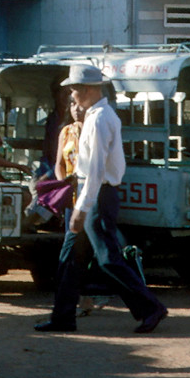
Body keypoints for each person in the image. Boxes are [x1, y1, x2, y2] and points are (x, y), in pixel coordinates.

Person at [35, 64, 168, 334]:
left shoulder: (98, 119)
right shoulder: (101, 115)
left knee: (107, 258)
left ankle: (150, 307)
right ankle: (63, 317)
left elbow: (95, 170)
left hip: (95, 194)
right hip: (90, 193)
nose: (71, 96)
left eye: (73, 90)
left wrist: (81, 209)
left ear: (86, 90)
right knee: (69, 258)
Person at [27, 93, 84, 226]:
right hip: (67, 185)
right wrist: (62, 184)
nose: (75, 108)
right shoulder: (65, 130)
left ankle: (32, 220)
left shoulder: (91, 130)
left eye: (78, 104)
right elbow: (59, 163)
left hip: (85, 190)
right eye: (72, 104)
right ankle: (32, 220)